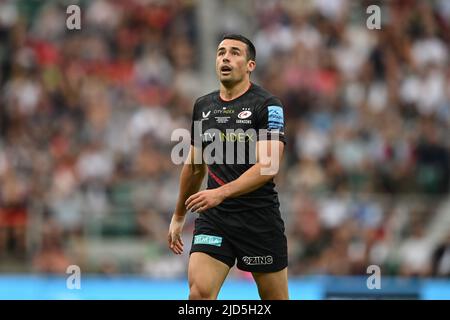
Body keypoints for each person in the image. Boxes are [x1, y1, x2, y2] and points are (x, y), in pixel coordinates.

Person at [168, 34, 288, 300]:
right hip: (215, 219)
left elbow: (268, 166)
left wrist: (220, 192)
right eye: (221, 52)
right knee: (199, 295)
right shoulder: (203, 106)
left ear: (250, 65)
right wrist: (179, 215)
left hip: (258, 219)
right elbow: (195, 166)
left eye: (235, 52)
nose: (225, 57)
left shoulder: (268, 106)